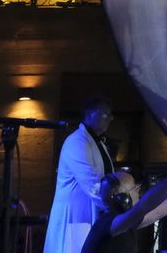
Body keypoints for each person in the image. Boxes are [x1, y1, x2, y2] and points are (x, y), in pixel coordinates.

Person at [80, 160, 167, 253]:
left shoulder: (125, 223)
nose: (138, 190)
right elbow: (143, 207)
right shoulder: (107, 224)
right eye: (135, 187)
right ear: (124, 199)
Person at [43, 98, 117, 253]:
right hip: (76, 217)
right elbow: (92, 184)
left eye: (110, 115)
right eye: (105, 114)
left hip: (91, 216)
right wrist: (119, 205)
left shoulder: (99, 144)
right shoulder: (77, 142)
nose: (110, 119)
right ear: (89, 115)